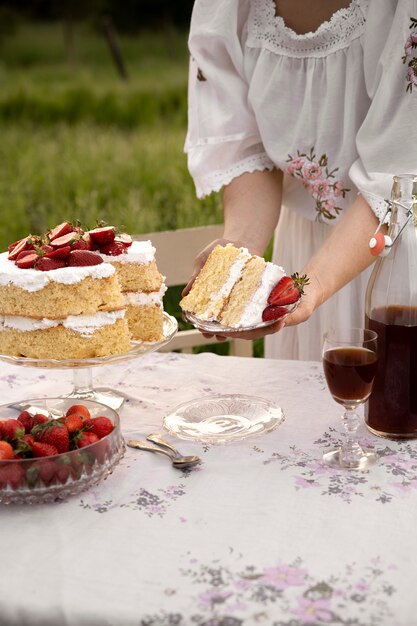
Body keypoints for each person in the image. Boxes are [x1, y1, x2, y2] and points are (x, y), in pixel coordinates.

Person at [182, 0, 417, 361]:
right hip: (302, 253)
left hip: (396, 255)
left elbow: (396, 176)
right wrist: (240, 254)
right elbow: (249, 148)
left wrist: (315, 283)